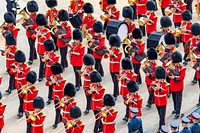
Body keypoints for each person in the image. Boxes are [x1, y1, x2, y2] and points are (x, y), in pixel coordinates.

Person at [10, 50, 30, 118]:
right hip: (18, 85)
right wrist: (14, 70)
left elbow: (26, 75)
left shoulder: (26, 67)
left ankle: (21, 110)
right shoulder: (15, 65)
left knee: (23, 98)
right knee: (20, 98)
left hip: (24, 85)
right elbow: (11, 72)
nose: (18, 63)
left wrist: (20, 72)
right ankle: (23, 109)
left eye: (20, 62)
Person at [167, 51, 186, 119]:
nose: (175, 64)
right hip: (173, 85)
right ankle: (175, 109)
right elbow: (167, 73)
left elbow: (182, 77)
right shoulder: (171, 66)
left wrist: (174, 77)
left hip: (179, 86)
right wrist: (168, 73)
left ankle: (178, 112)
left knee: (178, 100)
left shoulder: (182, 68)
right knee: (174, 99)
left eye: (176, 62)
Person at [104, 34, 122, 100]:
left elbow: (118, 59)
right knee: (114, 81)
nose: (113, 47)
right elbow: (105, 57)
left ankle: (115, 95)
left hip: (116, 68)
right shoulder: (110, 49)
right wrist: (106, 53)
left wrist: (113, 55)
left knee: (116, 82)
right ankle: (117, 92)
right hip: (111, 68)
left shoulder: (119, 52)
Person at [48, 62, 66, 128]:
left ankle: (56, 122)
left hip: (60, 96)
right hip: (54, 96)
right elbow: (47, 84)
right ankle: (60, 118)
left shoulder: (62, 79)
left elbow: (60, 87)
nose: (56, 75)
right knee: (56, 109)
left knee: (58, 110)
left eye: (57, 74)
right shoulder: (53, 77)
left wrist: (55, 82)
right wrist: (50, 81)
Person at [152, 66, 169, 130]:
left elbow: (167, 91)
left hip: (163, 101)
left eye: (161, 78)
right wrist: (151, 87)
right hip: (157, 101)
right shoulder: (155, 83)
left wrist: (160, 89)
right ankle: (163, 125)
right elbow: (150, 89)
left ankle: (160, 128)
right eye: (159, 78)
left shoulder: (165, 84)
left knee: (162, 116)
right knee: (160, 115)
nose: (160, 80)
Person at [35, 14, 51, 82]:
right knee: (42, 62)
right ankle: (42, 75)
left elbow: (47, 39)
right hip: (39, 49)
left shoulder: (47, 31)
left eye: (41, 25)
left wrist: (41, 35)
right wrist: (37, 34)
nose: (39, 27)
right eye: (39, 25)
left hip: (44, 49)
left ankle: (41, 75)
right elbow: (33, 37)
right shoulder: (37, 30)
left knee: (44, 63)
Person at [43, 40, 59, 105]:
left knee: (54, 85)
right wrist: (45, 59)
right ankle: (50, 97)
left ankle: (53, 96)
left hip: (52, 72)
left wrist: (49, 59)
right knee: (49, 84)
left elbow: (54, 63)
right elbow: (43, 61)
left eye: (50, 50)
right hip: (47, 71)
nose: (49, 52)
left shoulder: (55, 56)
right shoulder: (46, 53)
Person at [25, 0, 38, 65]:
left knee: (31, 45)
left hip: (33, 33)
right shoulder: (28, 15)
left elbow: (36, 25)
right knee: (31, 45)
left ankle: (31, 58)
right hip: (28, 33)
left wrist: (30, 27)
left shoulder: (36, 16)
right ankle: (34, 55)